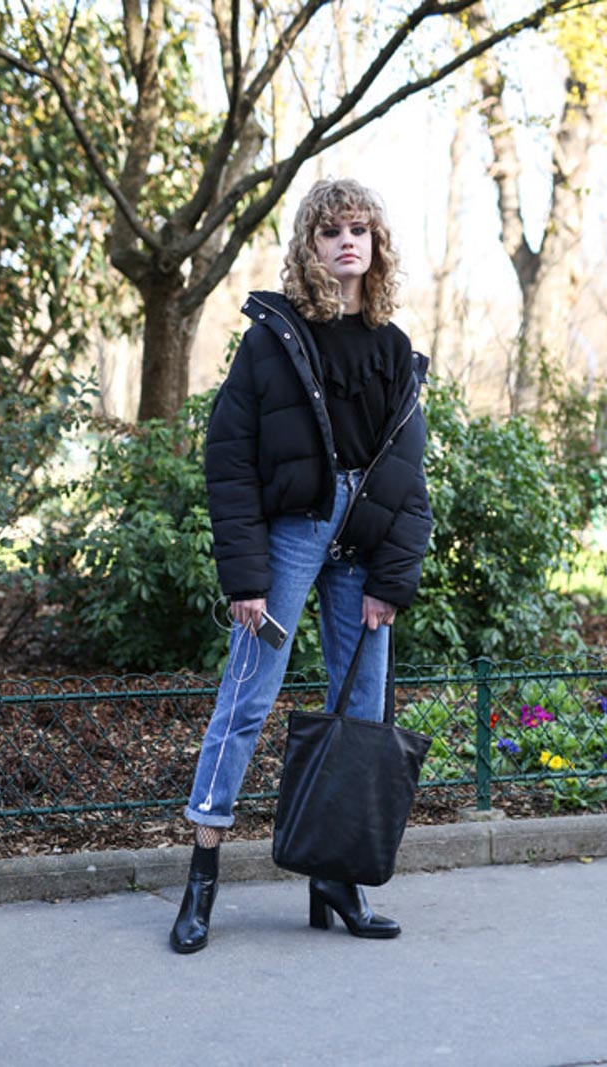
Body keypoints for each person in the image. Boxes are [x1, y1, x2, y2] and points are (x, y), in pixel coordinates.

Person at [169, 178, 433, 954]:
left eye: (360, 229)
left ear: (376, 244)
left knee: (364, 711)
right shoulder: (273, 339)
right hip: (291, 534)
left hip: (365, 539)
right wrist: (245, 578)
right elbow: (229, 459)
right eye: (331, 231)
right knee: (247, 695)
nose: (348, 241)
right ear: (309, 246)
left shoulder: (392, 347)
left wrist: (391, 580)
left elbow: (407, 475)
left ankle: (336, 877)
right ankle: (201, 876)